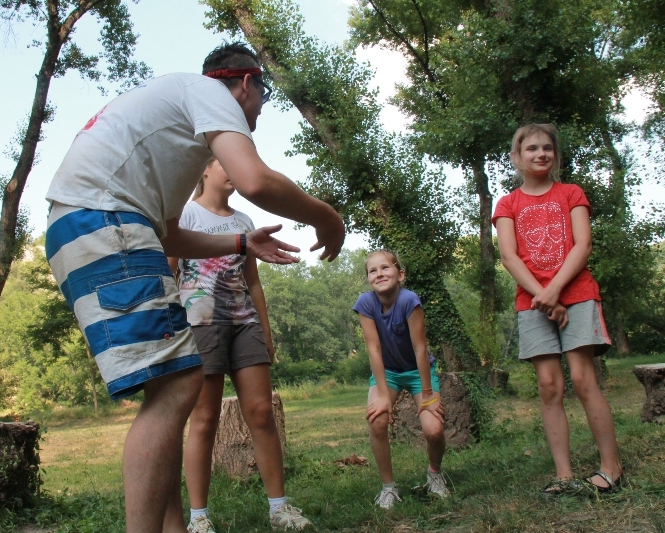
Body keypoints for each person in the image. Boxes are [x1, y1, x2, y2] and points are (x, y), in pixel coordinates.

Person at [44, 42, 345, 533]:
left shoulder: (174, 126)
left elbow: (170, 234)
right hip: (106, 222)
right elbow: (255, 180)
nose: (257, 115)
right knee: (181, 385)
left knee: (169, 385)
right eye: (261, 101)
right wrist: (327, 218)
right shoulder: (210, 93)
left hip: (82, 226)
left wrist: (241, 242)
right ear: (246, 83)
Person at [168, 157, 309, 532]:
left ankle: (279, 508)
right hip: (201, 324)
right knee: (204, 419)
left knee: (261, 413)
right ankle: (199, 518)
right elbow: (169, 268)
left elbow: (254, 281)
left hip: (244, 323)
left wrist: (265, 329)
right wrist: (167, 323)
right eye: (223, 161)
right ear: (204, 169)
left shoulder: (243, 222)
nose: (233, 167)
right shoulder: (186, 216)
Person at [493, 123, 622, 495]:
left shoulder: (571, 193)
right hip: (532, 301)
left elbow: (582, 245)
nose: (540, 154)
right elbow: (508, 255)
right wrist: (543, 296)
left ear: (555, 155)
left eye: (547, 148)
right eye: (531, 148)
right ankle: (563, 475)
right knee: (550, 385)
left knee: (583, 379)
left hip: (577, 294)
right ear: (517, 157)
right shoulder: (508, 204)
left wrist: (556, 291)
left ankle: (611, 467)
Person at [353, 250, 449, 509]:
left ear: (400, 274)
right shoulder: (366, 303)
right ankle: (388, 488)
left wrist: (427, 392)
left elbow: (420, 349)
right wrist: (383, 394)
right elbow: (374, 350)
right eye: (373, 270)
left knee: (434, 429)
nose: (379, 273)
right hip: (388, 372)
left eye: (385, 268)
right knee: (377, 419)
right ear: (368, 279)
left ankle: (435, 474)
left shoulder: (409, 300)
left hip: (419, 372)